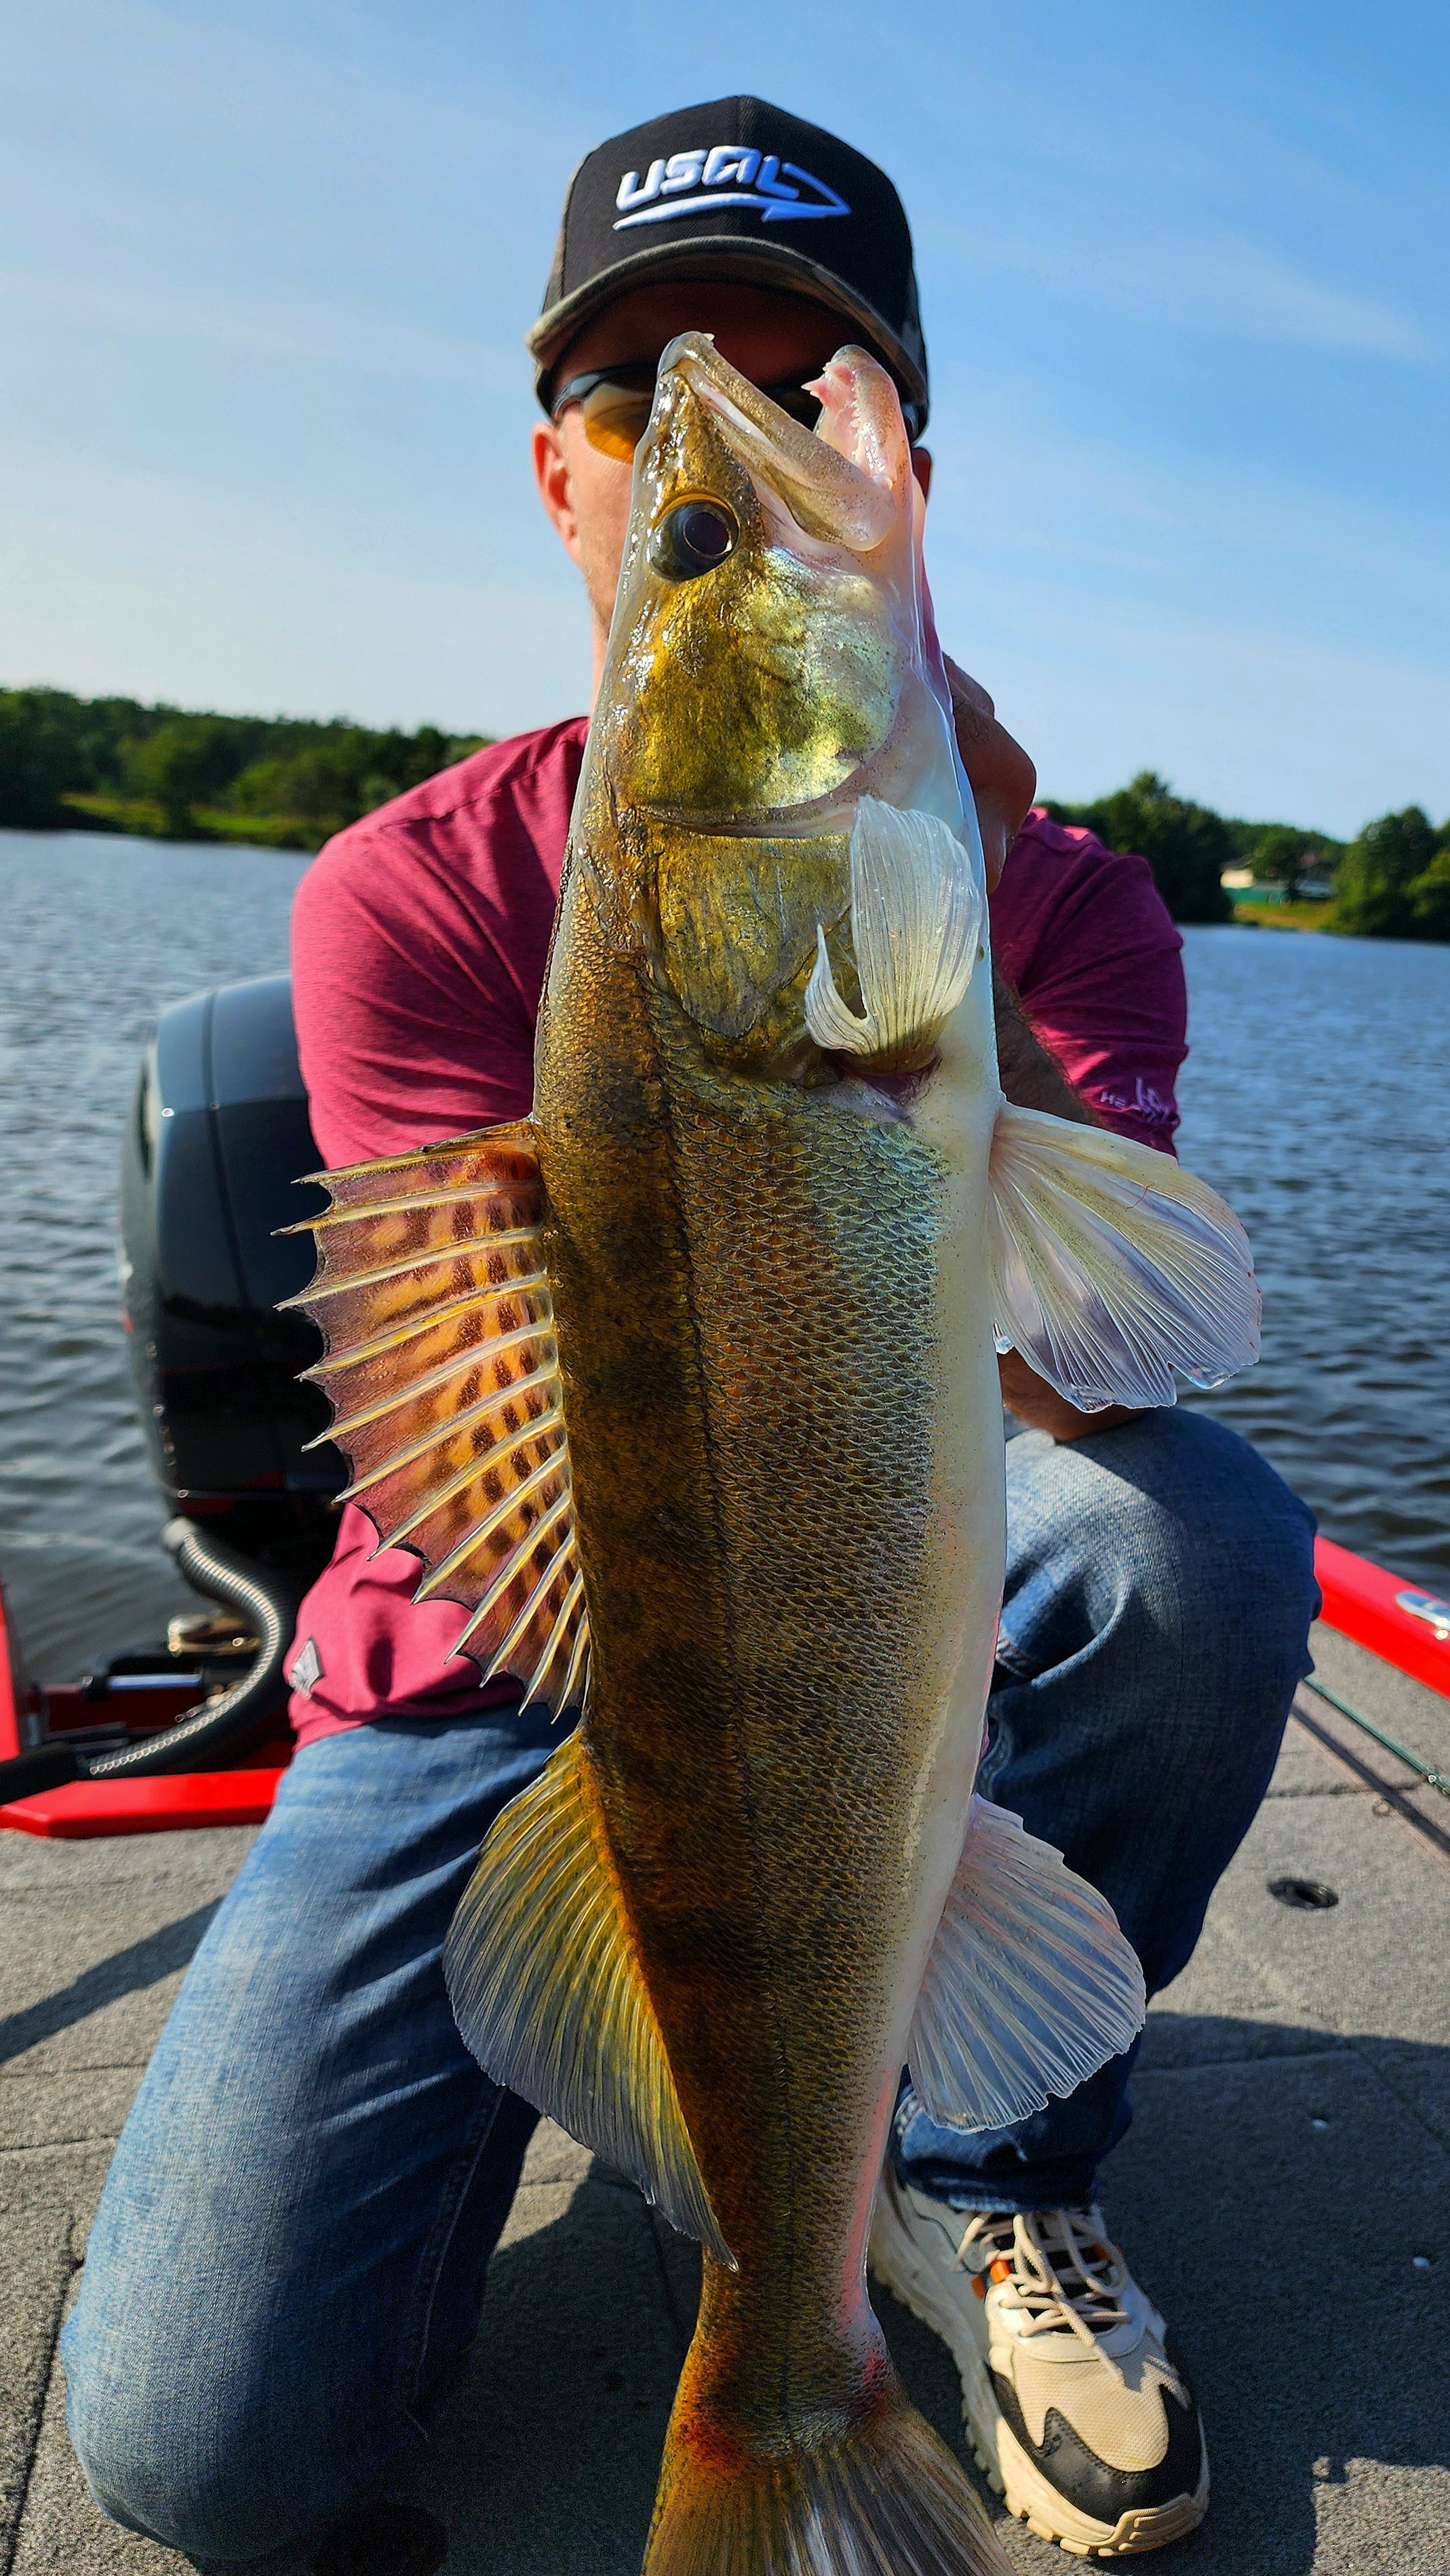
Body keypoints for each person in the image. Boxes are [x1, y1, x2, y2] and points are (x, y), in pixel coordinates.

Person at [63, 98, 1318, 2575]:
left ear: (911, 482)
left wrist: (955, 956)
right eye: (645, 410)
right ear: (559, 481)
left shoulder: (1070, 905)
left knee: (1190, 1549)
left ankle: (975, 2171)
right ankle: (763, 2240)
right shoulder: (403, 893)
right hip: (493, 1671)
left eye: (797, 386)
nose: (700, 441)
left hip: (865, 1606)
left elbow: (1099, 1370)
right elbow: (481, 1462)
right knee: (199, 2456)